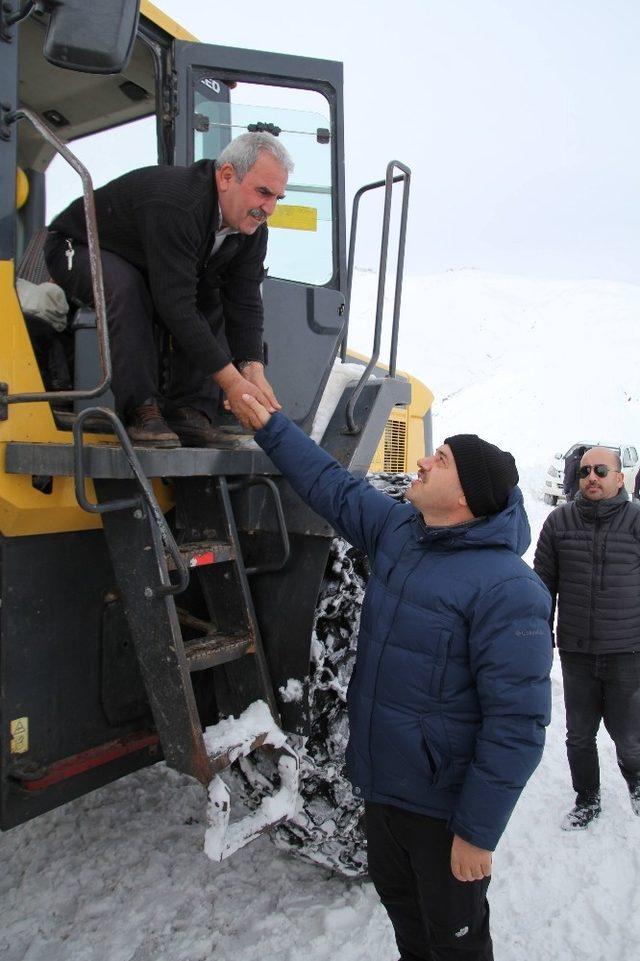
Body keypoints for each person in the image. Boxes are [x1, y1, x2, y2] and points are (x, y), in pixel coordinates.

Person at [242, 395, 552, 961]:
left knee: (456, 943)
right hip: (383, 794)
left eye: (442, 459)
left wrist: (477, 833)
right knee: (407, 925)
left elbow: (518, 725)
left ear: (463, 497)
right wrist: (269, 425)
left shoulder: (510, 590)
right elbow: (331, 485)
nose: (425, 462)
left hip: (443, 814)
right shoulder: (402, 535)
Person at [44, 132, 293, 446]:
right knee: (126, 286)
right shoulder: (178, 204)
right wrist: (232, 384)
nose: (269, 208)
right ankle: (140, 410)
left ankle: (189, 411)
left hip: (143, 259)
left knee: (209, 292)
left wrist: (252, 368)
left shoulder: (252, 230)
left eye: (277, 198)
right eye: (263, 192)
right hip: (77, 245)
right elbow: (174, 304)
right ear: (227, 176)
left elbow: (243, 301)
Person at [534, 446, 640, 830]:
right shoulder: (559, 522)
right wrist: (538, 636)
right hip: (577, 651)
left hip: (627, 651)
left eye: (600, 470)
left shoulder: (636, 521)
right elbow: (543, 585)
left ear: (619, 478)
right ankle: (587, 798)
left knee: (630, 737)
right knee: (579, 735)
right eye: (583, 472)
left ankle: (636, 782)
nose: (591, 477)